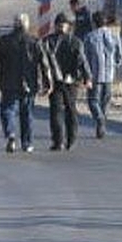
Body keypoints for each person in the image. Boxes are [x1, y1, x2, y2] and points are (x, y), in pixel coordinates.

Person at [0, 13, 53, 153]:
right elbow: (44, 63)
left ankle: (10, 134)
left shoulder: (4, 41)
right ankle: (27, 143)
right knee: (27, 113)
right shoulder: (34, 42)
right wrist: (47, 82)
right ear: (26, 25)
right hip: (29, 83)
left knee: (7, 109)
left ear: (14, 24)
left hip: (8, 82)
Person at [44, 12, 92, 150]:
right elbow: (82, 61)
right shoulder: (75, 41)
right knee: (70, 110)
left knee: (57, 110)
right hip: (71, 81)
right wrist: (87, 77)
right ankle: (70, 140)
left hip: (55, 80)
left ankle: (58, 141)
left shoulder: (48, 41)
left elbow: (42, 61)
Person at [84, 11, 122, 138]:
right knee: (105, 101)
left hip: (94, 74)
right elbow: (120, 56)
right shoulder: (114, 35)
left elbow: (85, 57)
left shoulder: (90, 37)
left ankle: (99, 119)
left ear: (94, 22)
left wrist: (85, 74)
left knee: (93, 101)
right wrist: (114, 64)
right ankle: (102, 124)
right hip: (109, 74)